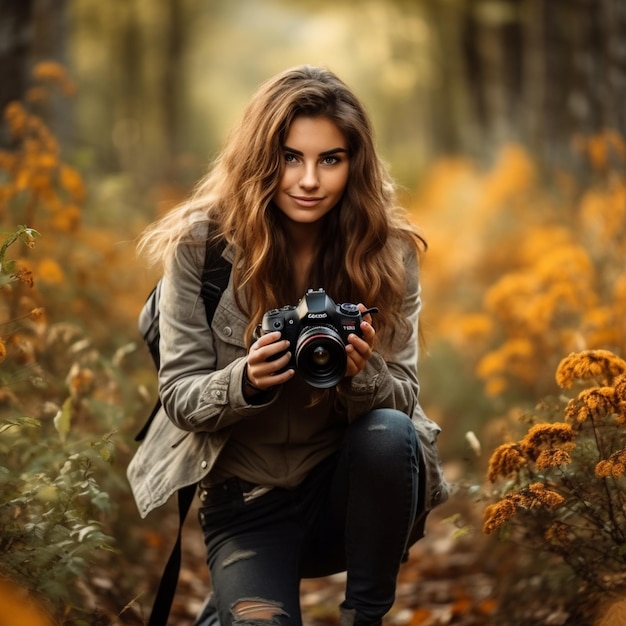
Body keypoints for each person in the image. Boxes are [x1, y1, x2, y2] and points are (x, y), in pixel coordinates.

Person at [127, 65, 448, 626]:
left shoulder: (388, 252)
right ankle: (238, 602)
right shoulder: (201, 247)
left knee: (389, 433)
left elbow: (405, 399)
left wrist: (360, 372)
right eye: (289, 157)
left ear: (356, 162)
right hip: (246, 503)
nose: (308, 180)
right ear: (260, 157)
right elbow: (178, 396)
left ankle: (365, 617)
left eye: (331, 159)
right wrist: (246, 380)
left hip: (344, 499)